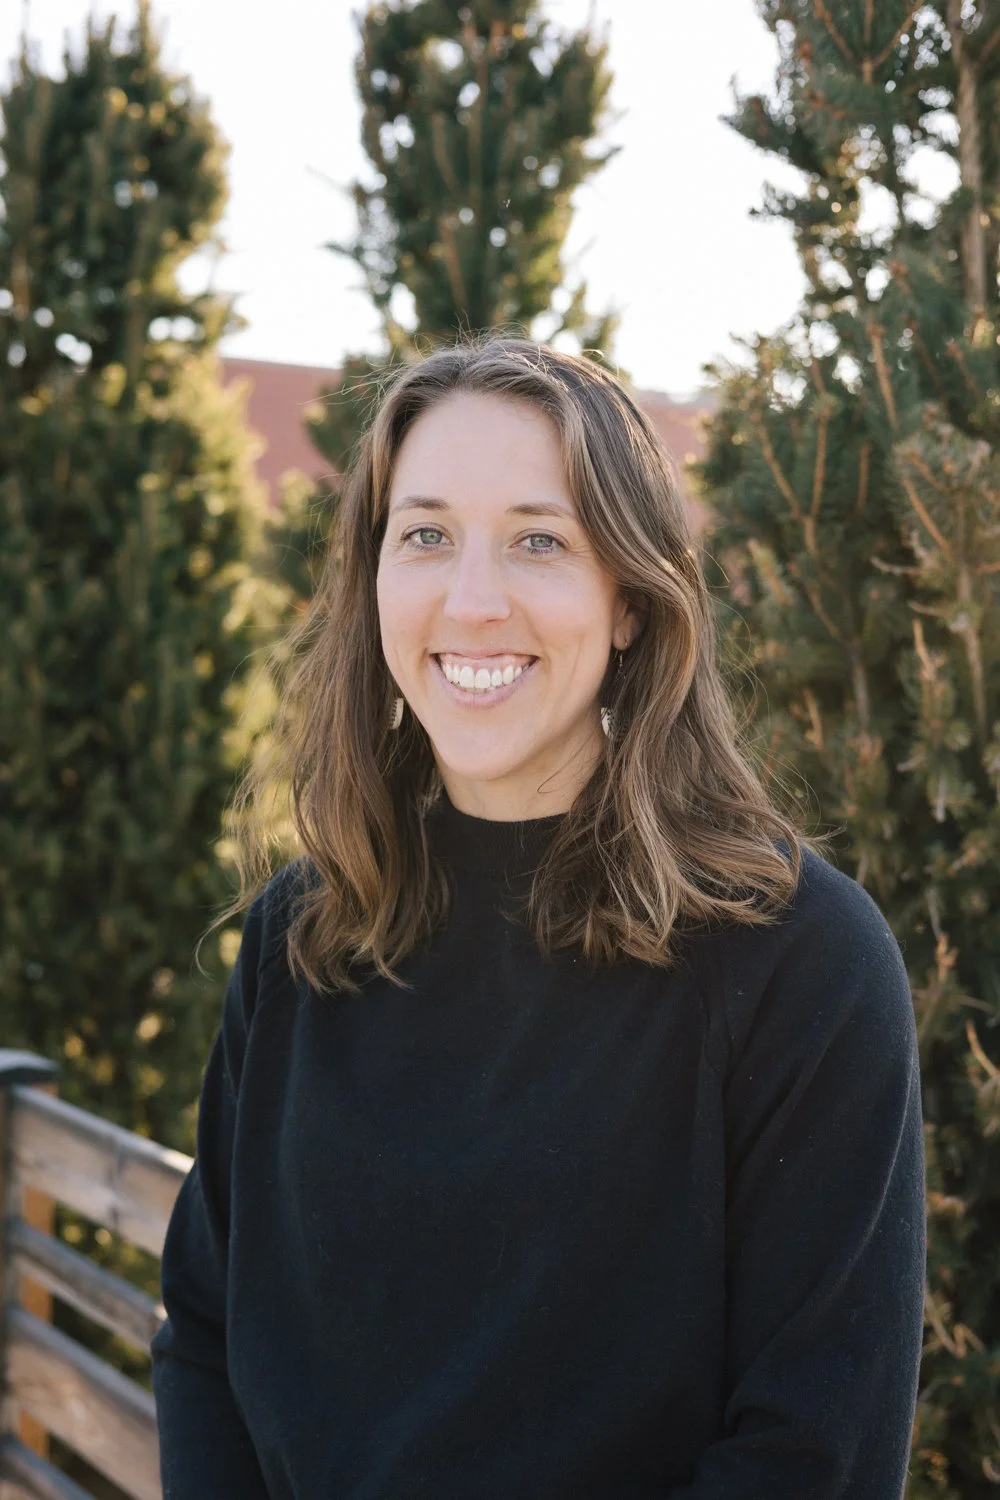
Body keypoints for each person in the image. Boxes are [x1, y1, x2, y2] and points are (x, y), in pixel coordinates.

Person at [150, 337, 926, 1499]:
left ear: (629, 600)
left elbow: (810, 1454)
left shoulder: (798, 962)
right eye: (423, 535)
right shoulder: (298, 935)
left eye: (538, 540)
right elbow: (206, 1337)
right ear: (371, 583)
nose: (471, 601)